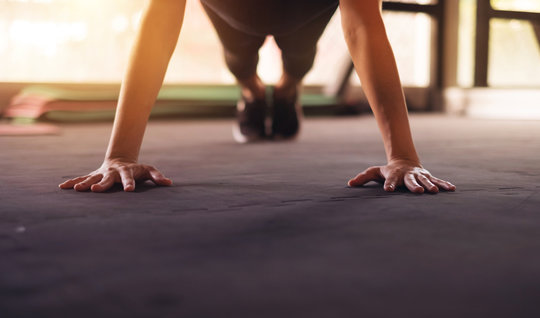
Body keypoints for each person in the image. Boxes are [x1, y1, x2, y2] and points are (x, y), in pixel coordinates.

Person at [59, 0, 456, 194]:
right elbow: (161, 21)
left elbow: (364, 25)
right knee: (240, 58)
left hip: (303, 8)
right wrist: (120, 154)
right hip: (234, 8)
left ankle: (287, 88)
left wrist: (403, 156)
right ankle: (250, 91)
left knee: (299, 57)